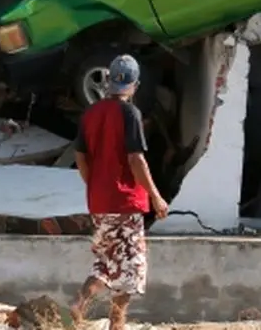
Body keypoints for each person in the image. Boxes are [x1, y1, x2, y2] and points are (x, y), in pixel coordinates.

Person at [69, 55, 169, 330]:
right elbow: (135, 159)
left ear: (109, 81)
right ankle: (117, 324)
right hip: (125, 201)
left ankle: (79, 304)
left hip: (99, 201)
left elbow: (80, 157)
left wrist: (95, 185)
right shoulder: (130, 114)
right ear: (134, 85)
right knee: (132, 265)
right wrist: (155, 196)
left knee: (105, 261)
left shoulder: (89, 114)